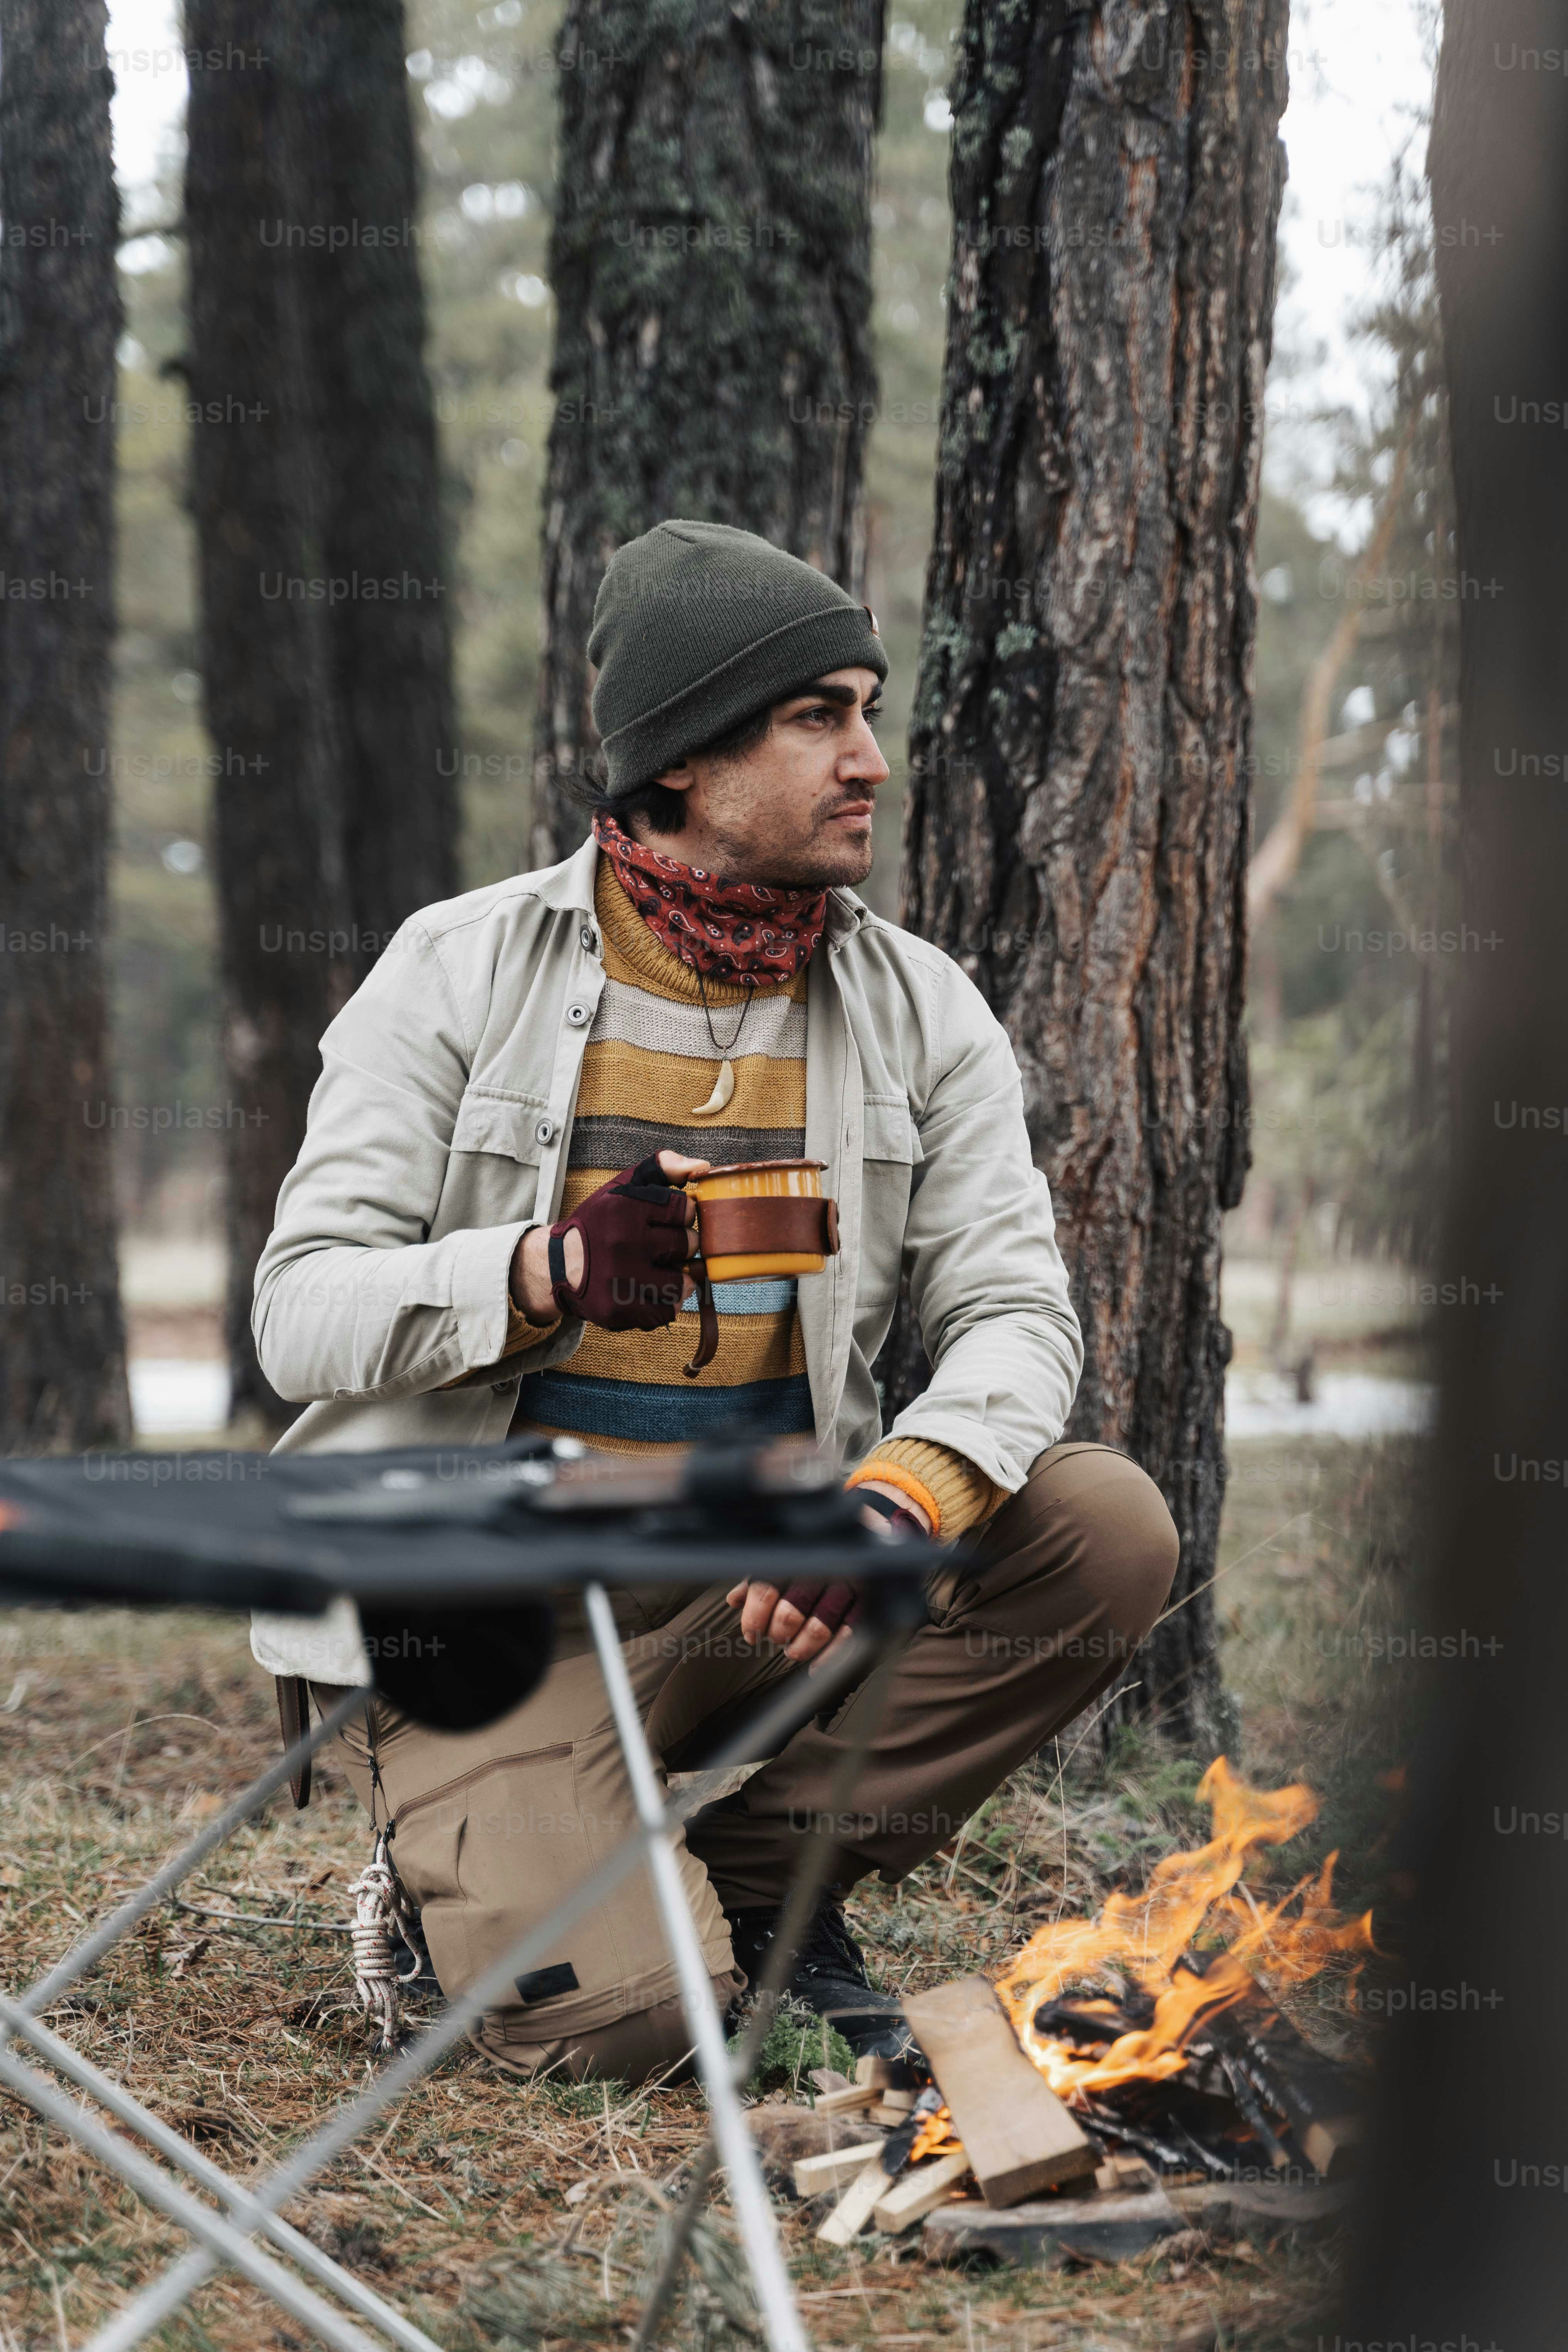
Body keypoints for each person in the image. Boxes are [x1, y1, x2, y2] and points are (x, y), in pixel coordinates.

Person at [249, 519, 1178, 2080]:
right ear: (680, 758)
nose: (870, 757)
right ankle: (469, 1900)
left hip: (755, 1579)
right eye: (818, 713)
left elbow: (1021, 1314)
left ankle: (769, 1881)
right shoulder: (458, 967)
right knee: (632, 2022)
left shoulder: (921, 1008)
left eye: (869, 709)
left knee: (1103, 1526)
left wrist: (903, 1492)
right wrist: (539, 1269)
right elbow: (300, 1311)